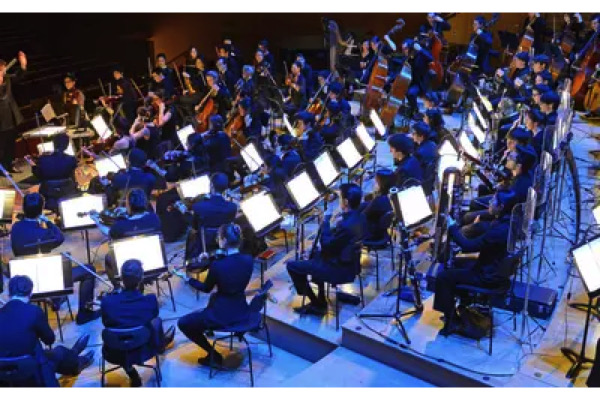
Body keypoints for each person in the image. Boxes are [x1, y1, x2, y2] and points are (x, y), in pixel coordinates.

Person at [433, 190, 518, 336]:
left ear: (501, 206)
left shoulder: (498, 232)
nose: (490, 203)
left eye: (493, 201)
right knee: (456, 263)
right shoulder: (509, 222)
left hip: (487, 277)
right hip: (494, 269)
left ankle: (451, 321)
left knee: (443, 276)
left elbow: (468, 246)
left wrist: (452, 227)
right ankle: (461, 304)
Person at [175, 223, 253, 367]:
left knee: (184, 323)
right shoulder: (248, 260)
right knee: (208, 306)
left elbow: (206, 288)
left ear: (223, 240)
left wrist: (187, 279)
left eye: (219, 237)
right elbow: (232, 263)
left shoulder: (218, 265)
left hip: (222, 314)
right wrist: (213, 258)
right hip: (242, 310)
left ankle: (213, 354)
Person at [286, 183, 366, 315]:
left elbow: (327, 245)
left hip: (338, 270)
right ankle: (321, 298)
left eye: (340, 197)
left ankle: (316, 303)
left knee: (292, 266)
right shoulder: (360, 217)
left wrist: (326, 223)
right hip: (353, 264)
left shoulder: (346, 225)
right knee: (314, 254)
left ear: (345, 202)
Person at [0, 276, 95, 387]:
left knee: (48, 352)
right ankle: (77, 359)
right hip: (31, 369)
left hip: (4, 371)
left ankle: (74, 354)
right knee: (58, 353)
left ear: (9, 294)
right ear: (30, 293)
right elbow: (49, 340)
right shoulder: (34, 311)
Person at [100, 259, 176, 387]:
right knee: (156, 321)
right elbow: (152, 315)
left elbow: (106, 323)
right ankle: (160, 345)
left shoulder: (107, 302)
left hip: (114, 353)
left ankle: (132, 374)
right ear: (141, 278)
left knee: (119, 333)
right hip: (144, 351)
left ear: (121, 279)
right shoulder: (150, 300)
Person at [91, 188, 161, 286]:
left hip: (130, 267)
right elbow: (138, 223)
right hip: (155, 265)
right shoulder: (154, 218)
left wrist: (97, 221)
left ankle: (118, 287)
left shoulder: (121, 226)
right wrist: (127, 212)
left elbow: (108, 232)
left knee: (108, 257)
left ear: (129, 205)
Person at [185, 173, 238, 261]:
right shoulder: (232, 207)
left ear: (211, 186)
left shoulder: (199, 206)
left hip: (205, 245)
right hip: (225, 241)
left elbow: (194, 226)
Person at [31, 133, 78, 211]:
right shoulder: (72, 159)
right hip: (67, 192)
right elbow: (72, 176)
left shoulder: (43, 159)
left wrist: (33, 166)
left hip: (48, 193)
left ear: (53, 144)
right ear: (66, 146)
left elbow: (39, 176)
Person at [0, 51, 27, 174]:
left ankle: (9, 165)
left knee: (11, 143)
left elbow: (18, 76)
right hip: (1, 119)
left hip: (11, 116)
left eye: (4, 69)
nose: (4, 71)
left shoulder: (7, 79)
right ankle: (1, 169)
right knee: (1, 145)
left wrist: (23, 65)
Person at [402, 39, 434, 117]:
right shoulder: (408, 58)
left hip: (420, 83)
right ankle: (411, 107)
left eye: (405, 48)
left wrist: (420, 49)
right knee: (403, 90)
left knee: (410, 93)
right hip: (412, 81)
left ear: (410, 48)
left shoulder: (421, 55)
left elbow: (431, 58)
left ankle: (415, 110)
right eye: (403, 49)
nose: (404, 51)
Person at [361, 169, 393, 242]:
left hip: (373, 234)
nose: (374, 184)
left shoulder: (378, 201)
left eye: (375, 182)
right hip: (383, 230)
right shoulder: (392, 195)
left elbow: (363, 216)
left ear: (381, 184)